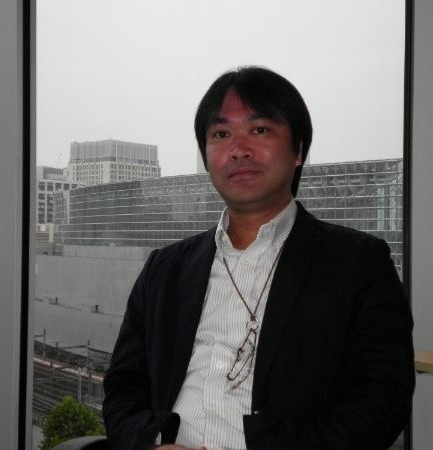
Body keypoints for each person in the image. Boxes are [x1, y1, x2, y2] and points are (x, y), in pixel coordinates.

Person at [102, 66, 415, 450]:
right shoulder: (164, 270)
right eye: (221, 134)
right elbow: (123, 388)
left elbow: (382, 400)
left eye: (260, 130)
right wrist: (149, 445)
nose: (239, 149)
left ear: (299, 150)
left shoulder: (358, 265)